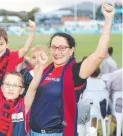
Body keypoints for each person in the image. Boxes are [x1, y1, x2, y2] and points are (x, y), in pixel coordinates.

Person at [29, 3, 115, 136]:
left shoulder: (75, 71)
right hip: (32, 131)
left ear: (71, 51)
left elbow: (99, 55)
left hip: (57, 133)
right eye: (54, 47)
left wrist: (108, 20)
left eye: (62, 48)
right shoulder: (45, 69)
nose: (57, 52)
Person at [0, 44, 48, 136]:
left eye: (15, 85)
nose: (11, 88)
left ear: (22, 90)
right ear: (1, 88)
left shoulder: (24, 105)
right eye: (7, 84)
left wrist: (41, 67)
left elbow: (33, 87)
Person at [106, 68, 122, 136]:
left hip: (117, 108)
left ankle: (118, 127)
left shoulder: (115, 73)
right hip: (117, 107)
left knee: (107, 103)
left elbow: (107, 89)